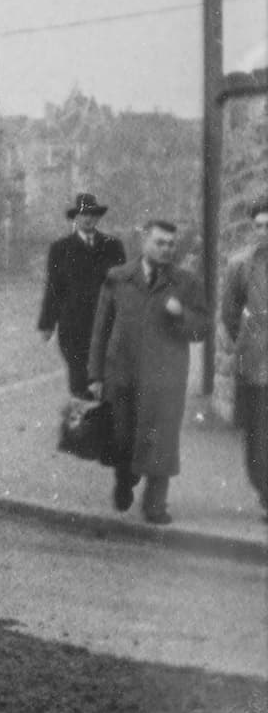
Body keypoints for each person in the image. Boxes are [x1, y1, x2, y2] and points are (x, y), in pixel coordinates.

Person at [90, 219, 211, 525]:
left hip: (165, 379)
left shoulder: (186, 283)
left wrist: (181, 314)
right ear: (144, 241)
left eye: (171, 244)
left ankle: (155, 504)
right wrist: (95, 375)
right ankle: (125, 478)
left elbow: (203, 328)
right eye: (160, 242)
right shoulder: (118, 278)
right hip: (123, 373)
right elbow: (101, 328)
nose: (166, 249)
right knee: (122, 437)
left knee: (162, 441)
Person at [37, 193, 126, 399]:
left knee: (105, 379)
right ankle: (82, 414)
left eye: (93, 214)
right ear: (76, 217)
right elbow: (54, 287)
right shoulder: (60, 249)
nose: (88, 219)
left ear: (98, 217)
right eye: (84, 214)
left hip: (105, 323)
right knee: (79, 380)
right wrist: (47, 324)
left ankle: (101, 416)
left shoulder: (112, 246)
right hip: (73, 326)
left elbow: (122, 285)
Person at [219, 198, 268, 521]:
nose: (263, 232)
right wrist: (249, 340)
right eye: (258, 225)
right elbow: (230, 312)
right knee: (258, 434)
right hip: (256, 363)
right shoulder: (240, 265)